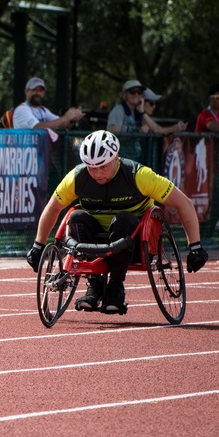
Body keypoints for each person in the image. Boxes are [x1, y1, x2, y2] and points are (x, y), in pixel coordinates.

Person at [26, 130, 208, 314]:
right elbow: (53, 208)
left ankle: (115, 286)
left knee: (124, 218)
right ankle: (95, 284)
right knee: (76, 218)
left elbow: (183, 203)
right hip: (95, 239)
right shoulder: (77, 177)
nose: (96, 173)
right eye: (91, 167)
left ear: (116, 158)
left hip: (133, 241)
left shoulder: (139, 176)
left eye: (102, 166)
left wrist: (195, 246)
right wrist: (38, 245)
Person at [11, 76, 85, 131]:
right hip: (24, 150)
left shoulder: (42, 110)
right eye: (34, 90)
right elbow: (37, 127)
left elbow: (61, 124)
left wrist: (72, 119)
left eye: (41, 90)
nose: (38, 93)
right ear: (26, 91)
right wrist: (65, 117)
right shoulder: (22, 109)